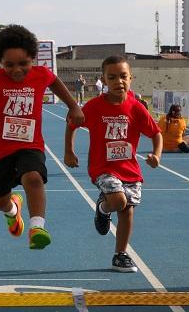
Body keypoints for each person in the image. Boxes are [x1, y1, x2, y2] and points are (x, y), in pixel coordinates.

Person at [0, 24, 84, 250]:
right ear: (0, 62)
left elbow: (55, 83)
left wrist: (73, 106)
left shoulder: (41, 75)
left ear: (33, 59)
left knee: (34, 178)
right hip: (0, 148)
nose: (17, 69)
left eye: (23, 63)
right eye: (9, 65)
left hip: (30, 143)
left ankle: (37, 227)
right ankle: (13, 210)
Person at [64, 55, 162, 273]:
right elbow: (72, 124)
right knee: (118, 201)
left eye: (123, 76)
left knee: (127, 211)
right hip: (103, 168)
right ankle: (104, 206)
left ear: (131, 78)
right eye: (112, 77)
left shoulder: (136, 108)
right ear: (103, 80)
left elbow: (156, 134)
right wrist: (68, 151)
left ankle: (120, 254)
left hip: (129, 169)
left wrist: (156, 155)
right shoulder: (94, 106)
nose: (119, 81)